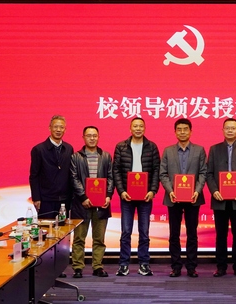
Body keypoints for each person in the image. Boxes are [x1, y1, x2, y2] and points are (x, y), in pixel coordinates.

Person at [206, 118, 236, 277]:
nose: (230, 130)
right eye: (227, 128)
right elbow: (209, 173)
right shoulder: (214, 149)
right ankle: (221, 267)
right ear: (223, 130)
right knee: (220, 235)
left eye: (233, 128)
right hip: (219, 200)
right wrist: (214, 190)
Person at [159, 119, 207, 278]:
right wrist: (170, 191)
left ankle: (191, 267)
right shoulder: (168, 151)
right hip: (173, 198)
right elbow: (163, 174)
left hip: (193, 198)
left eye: (185, 129)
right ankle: (176, 266)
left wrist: (197, 191)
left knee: (192, 233)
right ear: (175, 132)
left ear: (190, 131)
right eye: (179, 129)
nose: (182, 132)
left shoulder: (199, 150)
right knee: (174, 234)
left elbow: (203, 173)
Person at [113, 117, 160, 276]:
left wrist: (152, 191)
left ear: (144, 128)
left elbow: (156, 170)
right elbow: (116, 170)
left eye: (141, 126)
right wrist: (121, 191)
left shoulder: (152, 147)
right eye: (135, 126)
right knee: (126, 231)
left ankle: (144, 264)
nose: (138, 128)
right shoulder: (121, 146)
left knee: (144, 232)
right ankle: (123, 264)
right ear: (130, 128)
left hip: (145, 196)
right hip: (127, 196)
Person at [70, 126, 114, 278]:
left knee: (99, 238)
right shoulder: (76, 157)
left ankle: (98, 266)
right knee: (79, 238)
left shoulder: (106, 156)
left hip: (102, 204)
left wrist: (108, 196)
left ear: (98, 137)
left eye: (95, 135)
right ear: (83, 137)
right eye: (89, 135)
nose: (92, 138)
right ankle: (77, 267)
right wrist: (83, 197)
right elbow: (74, 178)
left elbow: (110, 178)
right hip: (81, 204)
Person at [30, 115, 74, 218]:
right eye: (55, 127)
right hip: (46, 200)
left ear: (65, 130)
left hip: (65, 199)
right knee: (46, 227)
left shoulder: (69, 149)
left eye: (61, 127)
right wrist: (36, 198)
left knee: (64, 227)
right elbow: (34, 176)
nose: (58, 130)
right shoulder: (39, 149)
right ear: (49, 128)